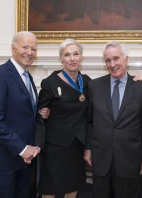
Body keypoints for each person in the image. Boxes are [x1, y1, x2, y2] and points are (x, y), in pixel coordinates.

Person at [84, 41, 142, 198]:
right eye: (108, 60)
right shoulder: (94, 86)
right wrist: (87, 148)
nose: (112, 64)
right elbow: (89, 120)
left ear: (126, 60)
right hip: (100, 157)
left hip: (129, 158)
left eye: (116, 58)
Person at [0, 31, 41, 198]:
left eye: (33, 49)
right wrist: (22, 149)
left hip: (24, 161)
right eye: (25, 47)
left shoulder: (27, 77)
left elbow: (24, 114)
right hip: (4, 159)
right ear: (13, 49)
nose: (29, 52)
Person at [36, 38, 91, 198]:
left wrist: (133, 80)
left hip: (76, 145)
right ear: (61, 58)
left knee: (72, 187)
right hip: (55, 145)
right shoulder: (50, 83)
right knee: (50, 189)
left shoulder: (87, 82)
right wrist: (41, 114)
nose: (72, 58)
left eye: (76, 54)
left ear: (81, 57)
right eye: (67, 55)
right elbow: (39, 114)